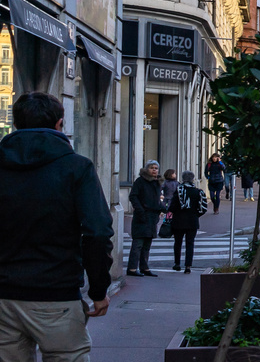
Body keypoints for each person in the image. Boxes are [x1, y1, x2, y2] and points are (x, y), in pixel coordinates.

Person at [0, 93, 114, 359]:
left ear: (16, 124)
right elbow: (97, 233)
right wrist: (99, 290)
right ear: (60, 124)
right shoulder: (76, 168)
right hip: (56, 294)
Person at [127, 160, 164, 276]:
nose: (154, 170)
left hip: (152, 217)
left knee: (147, 244)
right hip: (142, 216)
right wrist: (140, 210)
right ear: (147, 169)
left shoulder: (157, 182)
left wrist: (162, 208)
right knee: (138, 243)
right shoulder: (140, 181)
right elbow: (133, 196)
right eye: (152, 168)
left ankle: (144, 267)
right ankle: (132, 268)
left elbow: (156, 200)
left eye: (156, 168)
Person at [170, 171, 208, 274]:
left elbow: (172, 206)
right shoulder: (198, 192)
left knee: (178, 243)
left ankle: (177, 264)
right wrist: (196, 215)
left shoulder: (179, 191)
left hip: (178, 221)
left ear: (183, 179)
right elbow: (203, 208)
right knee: (190, 243)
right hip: (192, 221)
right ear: (193, 179)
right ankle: (188, 266)